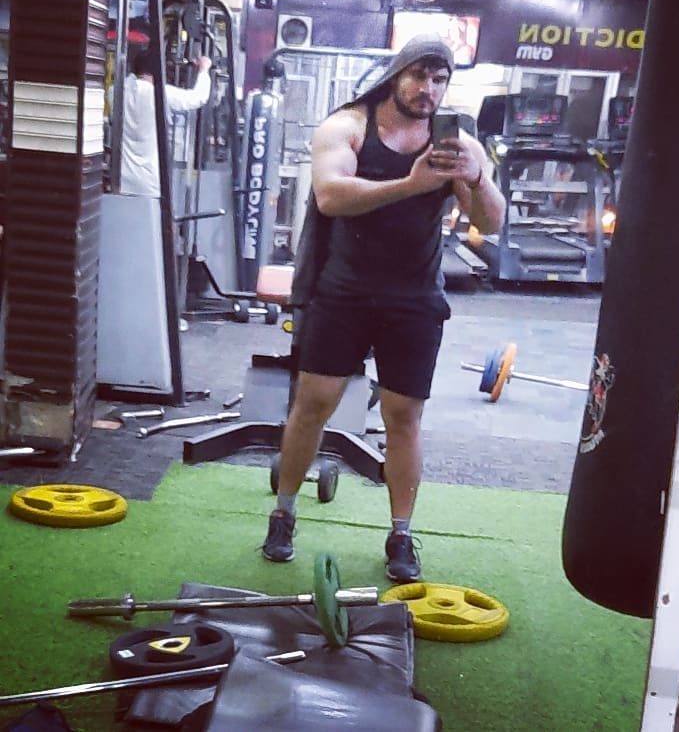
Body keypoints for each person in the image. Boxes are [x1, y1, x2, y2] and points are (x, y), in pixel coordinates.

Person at [261, 34, 506, 583]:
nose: (427, 89)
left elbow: (489, 223)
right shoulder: (348, 125)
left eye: (439, 79)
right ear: (397, 76)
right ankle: (284, 514)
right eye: (418, 76)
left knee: (404, 417)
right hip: (342, 291)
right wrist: (411, 184)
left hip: (414, 298)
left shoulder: (455, 141)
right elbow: (331, 195)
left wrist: (475, 175)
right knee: (312, 405)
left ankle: (400, 533)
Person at [119, 49, 212, 198]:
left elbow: (129, 82)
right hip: (149, 182)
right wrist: (204, 70)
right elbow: (198, 97)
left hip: (121, 180)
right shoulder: (160, 94)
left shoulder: (117, 92)